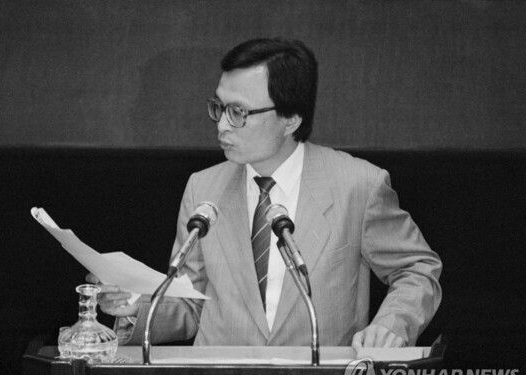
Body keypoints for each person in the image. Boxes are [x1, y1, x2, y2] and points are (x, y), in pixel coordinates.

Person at [89, 38, 442, 348]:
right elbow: (191, 304)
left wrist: (392, 324)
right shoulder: (203, 188)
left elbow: (417, 268)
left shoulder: (358, 186)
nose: (222, 125)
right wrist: (134, 304)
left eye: (238, 112)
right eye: (219, 107)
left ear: (290, 120)